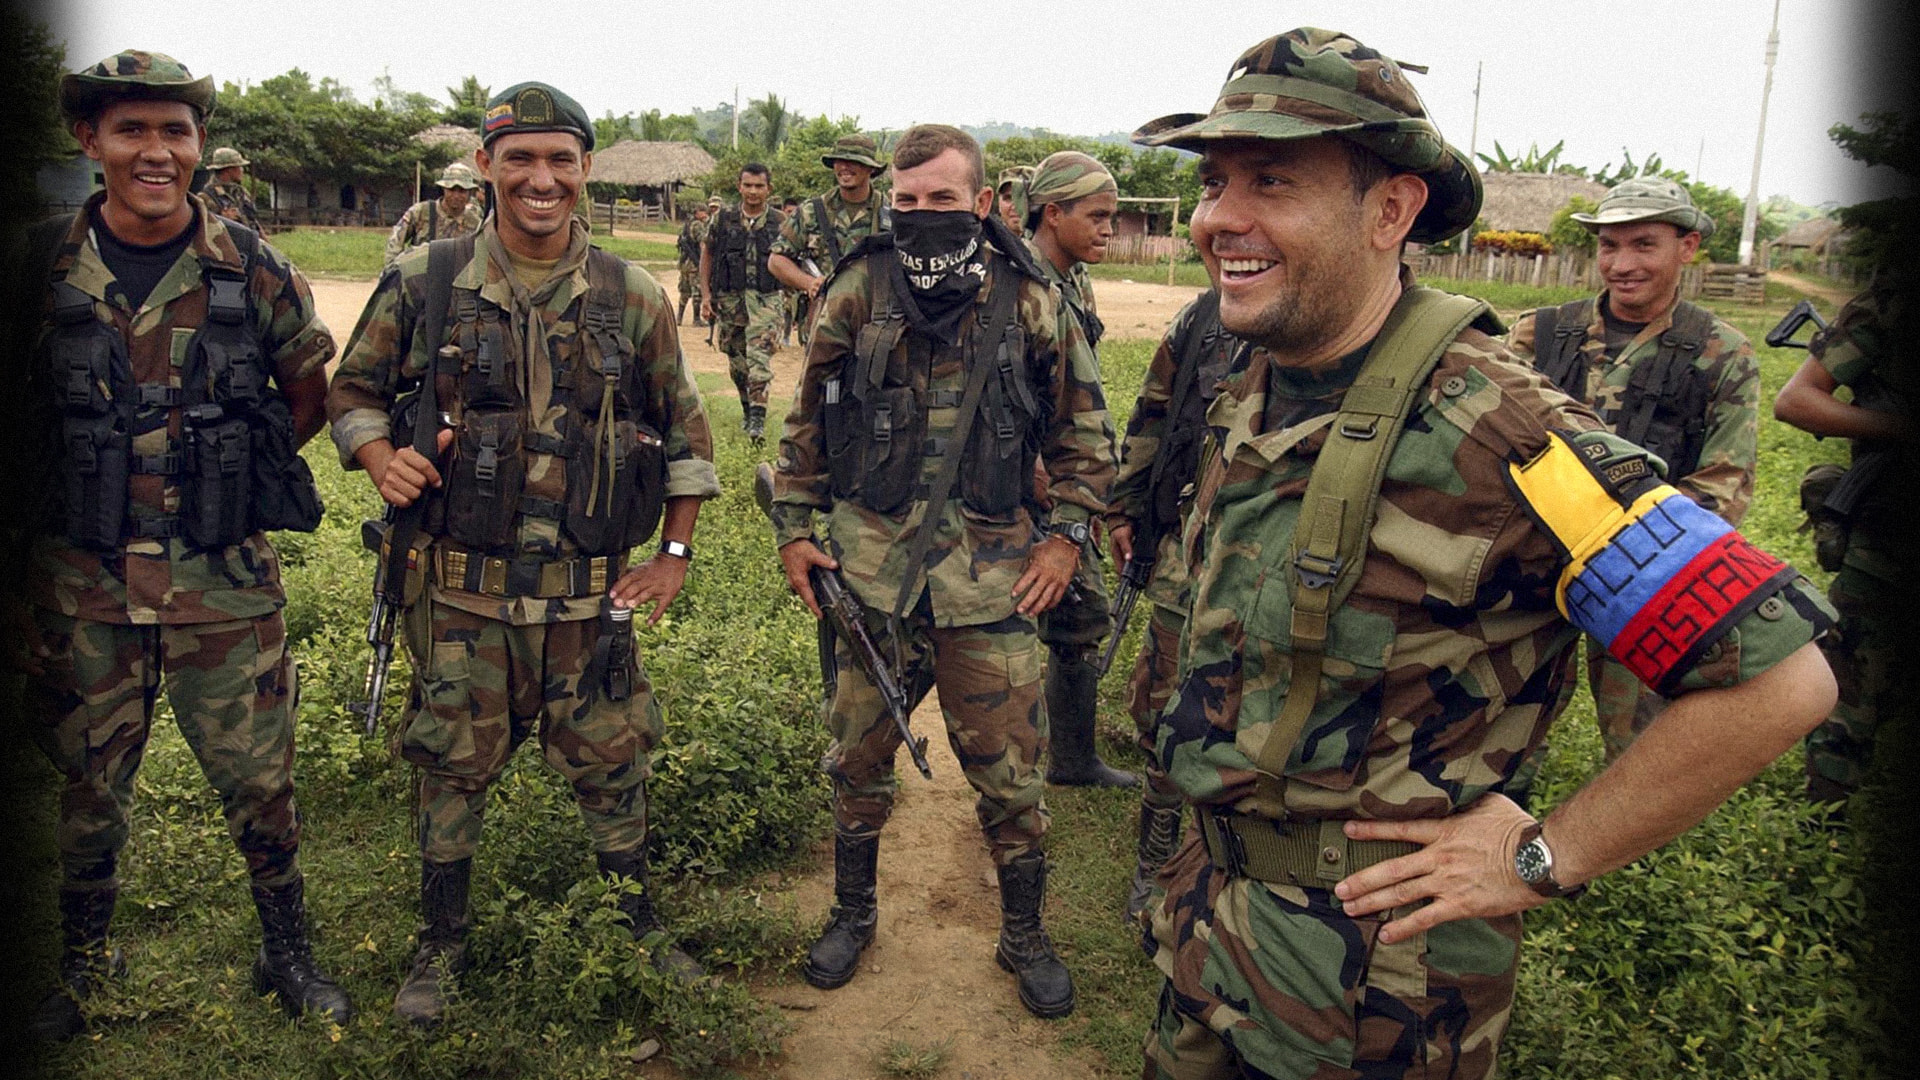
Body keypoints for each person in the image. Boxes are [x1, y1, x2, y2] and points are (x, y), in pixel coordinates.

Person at [1128, 28, 1836, 1078]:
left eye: (1271, 181)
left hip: (1374, 1004)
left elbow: (1781, 682)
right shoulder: (1262, 381)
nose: (1220, 217)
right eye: (1217, 180)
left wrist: (1551, 854)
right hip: (1211, 941)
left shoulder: (1514, 436)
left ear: (1391, 211)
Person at [325, 80, 722, 1027]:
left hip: (589, 601)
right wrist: (382, 458)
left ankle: (639, 928)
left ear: (585, 170)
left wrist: (671, 554)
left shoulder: (632, 295)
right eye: (520, 159)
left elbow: (689, 439)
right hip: (462, 595)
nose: (540, 180)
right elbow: (352, 391)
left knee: (613, 760)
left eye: (560, 161)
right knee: (451, 766)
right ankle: (439, 946)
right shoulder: (428, 278)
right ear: (486, 167)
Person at [8, 50, 350, 1040]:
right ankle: (78, 964)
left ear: (198, 146)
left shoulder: (251, 263)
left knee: (261, 780)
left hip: (224, 585)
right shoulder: (34, 266)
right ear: (90, 141)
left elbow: (309, 388)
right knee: (84, 788)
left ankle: (287, 950)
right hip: (80, 587)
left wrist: (228, 474)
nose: (157, 151)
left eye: (175, 131)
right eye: (132, 130)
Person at [768, 123, 1116, 1020]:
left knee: (1010, 774)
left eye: (944, 201)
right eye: (909, 202)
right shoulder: (857, 285)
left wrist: (1065, 536)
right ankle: (852, 914)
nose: (924, 216)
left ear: (985, 203)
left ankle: (1024, 935)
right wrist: (795, 532)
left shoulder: (1032, 298)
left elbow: (1085, 434)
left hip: (994, 581)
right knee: (857, 760)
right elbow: (807, 420)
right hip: (870, 575)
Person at [1505, 178, 1760, 765]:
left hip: (1648, 575)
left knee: (1643, 740)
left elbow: (1725, 483)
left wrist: (1624, 555)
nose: (1622, 265)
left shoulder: (1721, 354)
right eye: (1608, 247)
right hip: (1532, 558)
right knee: (1503, 723)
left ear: (1687, 246)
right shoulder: (1538, 333)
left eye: (1644, 245)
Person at [1104, 287, 1240, 919]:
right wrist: (1127, 504)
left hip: (1293, 571)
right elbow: (1153, 414)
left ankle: (1230, 863)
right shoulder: (1202, 320)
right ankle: (1155, 862)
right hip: (1187, 554)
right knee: (1163, 709)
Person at [1773, 280, 1915, 804]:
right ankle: (1827, 811)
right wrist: (1899, 427)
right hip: (1890, 537)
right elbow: (1797, 400)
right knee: (1852, 679)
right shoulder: (1894, 300)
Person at [1019, 150, 1135, 789]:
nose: (1108, 230)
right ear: (1053, 213)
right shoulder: (1016, 282)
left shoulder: (1073, 283)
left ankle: (1070, 760)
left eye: (1112, 218)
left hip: (1062, 484)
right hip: (1015, 487)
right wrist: (1039, 470)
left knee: (1080, 615)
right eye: (1097, 216)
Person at [700, 163, 785, 442]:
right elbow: (707, 254)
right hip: (730, 301)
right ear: (739, 187)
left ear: (769, 190)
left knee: (759, 358)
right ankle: (748, 411)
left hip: (766, 300)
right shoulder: (723, 220)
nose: (753, 191)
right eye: (747, 185)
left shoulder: (781, 222)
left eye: (759, 186)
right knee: (737, 364)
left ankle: (758, 423)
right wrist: (706, 295)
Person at [383, 161, 485, 268]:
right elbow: (395, 243)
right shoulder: (421, 212)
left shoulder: (475, 222)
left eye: (462, 191)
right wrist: (393, 272)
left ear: (469, 192)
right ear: (443, 189)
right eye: (451, 190)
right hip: (420, 277)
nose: (456, 195)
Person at [201, 145, 261, 232]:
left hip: (248, 242)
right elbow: (201, 228)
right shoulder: (206, 197)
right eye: (239, 166)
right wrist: (221, 218)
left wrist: (267, 244)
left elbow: (254, 222)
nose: (242, 170)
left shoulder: (241, 192)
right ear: (229, 170)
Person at [675, 201, 710, 327]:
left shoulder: (687, 223)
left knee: (684, 290)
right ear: (699, 213)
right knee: (697, 290)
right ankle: (696, 319)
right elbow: (703, 242)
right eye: (704, 212)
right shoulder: (698, 225)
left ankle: (679, 318)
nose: (706, 214)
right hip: (694, 263)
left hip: (684, 262)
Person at [995, 165, 1033, 235]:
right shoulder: (980, 242)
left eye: (1022, 198)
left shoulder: (1053, 243)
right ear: (999, 203)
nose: (1014, 207)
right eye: (1008, 198)